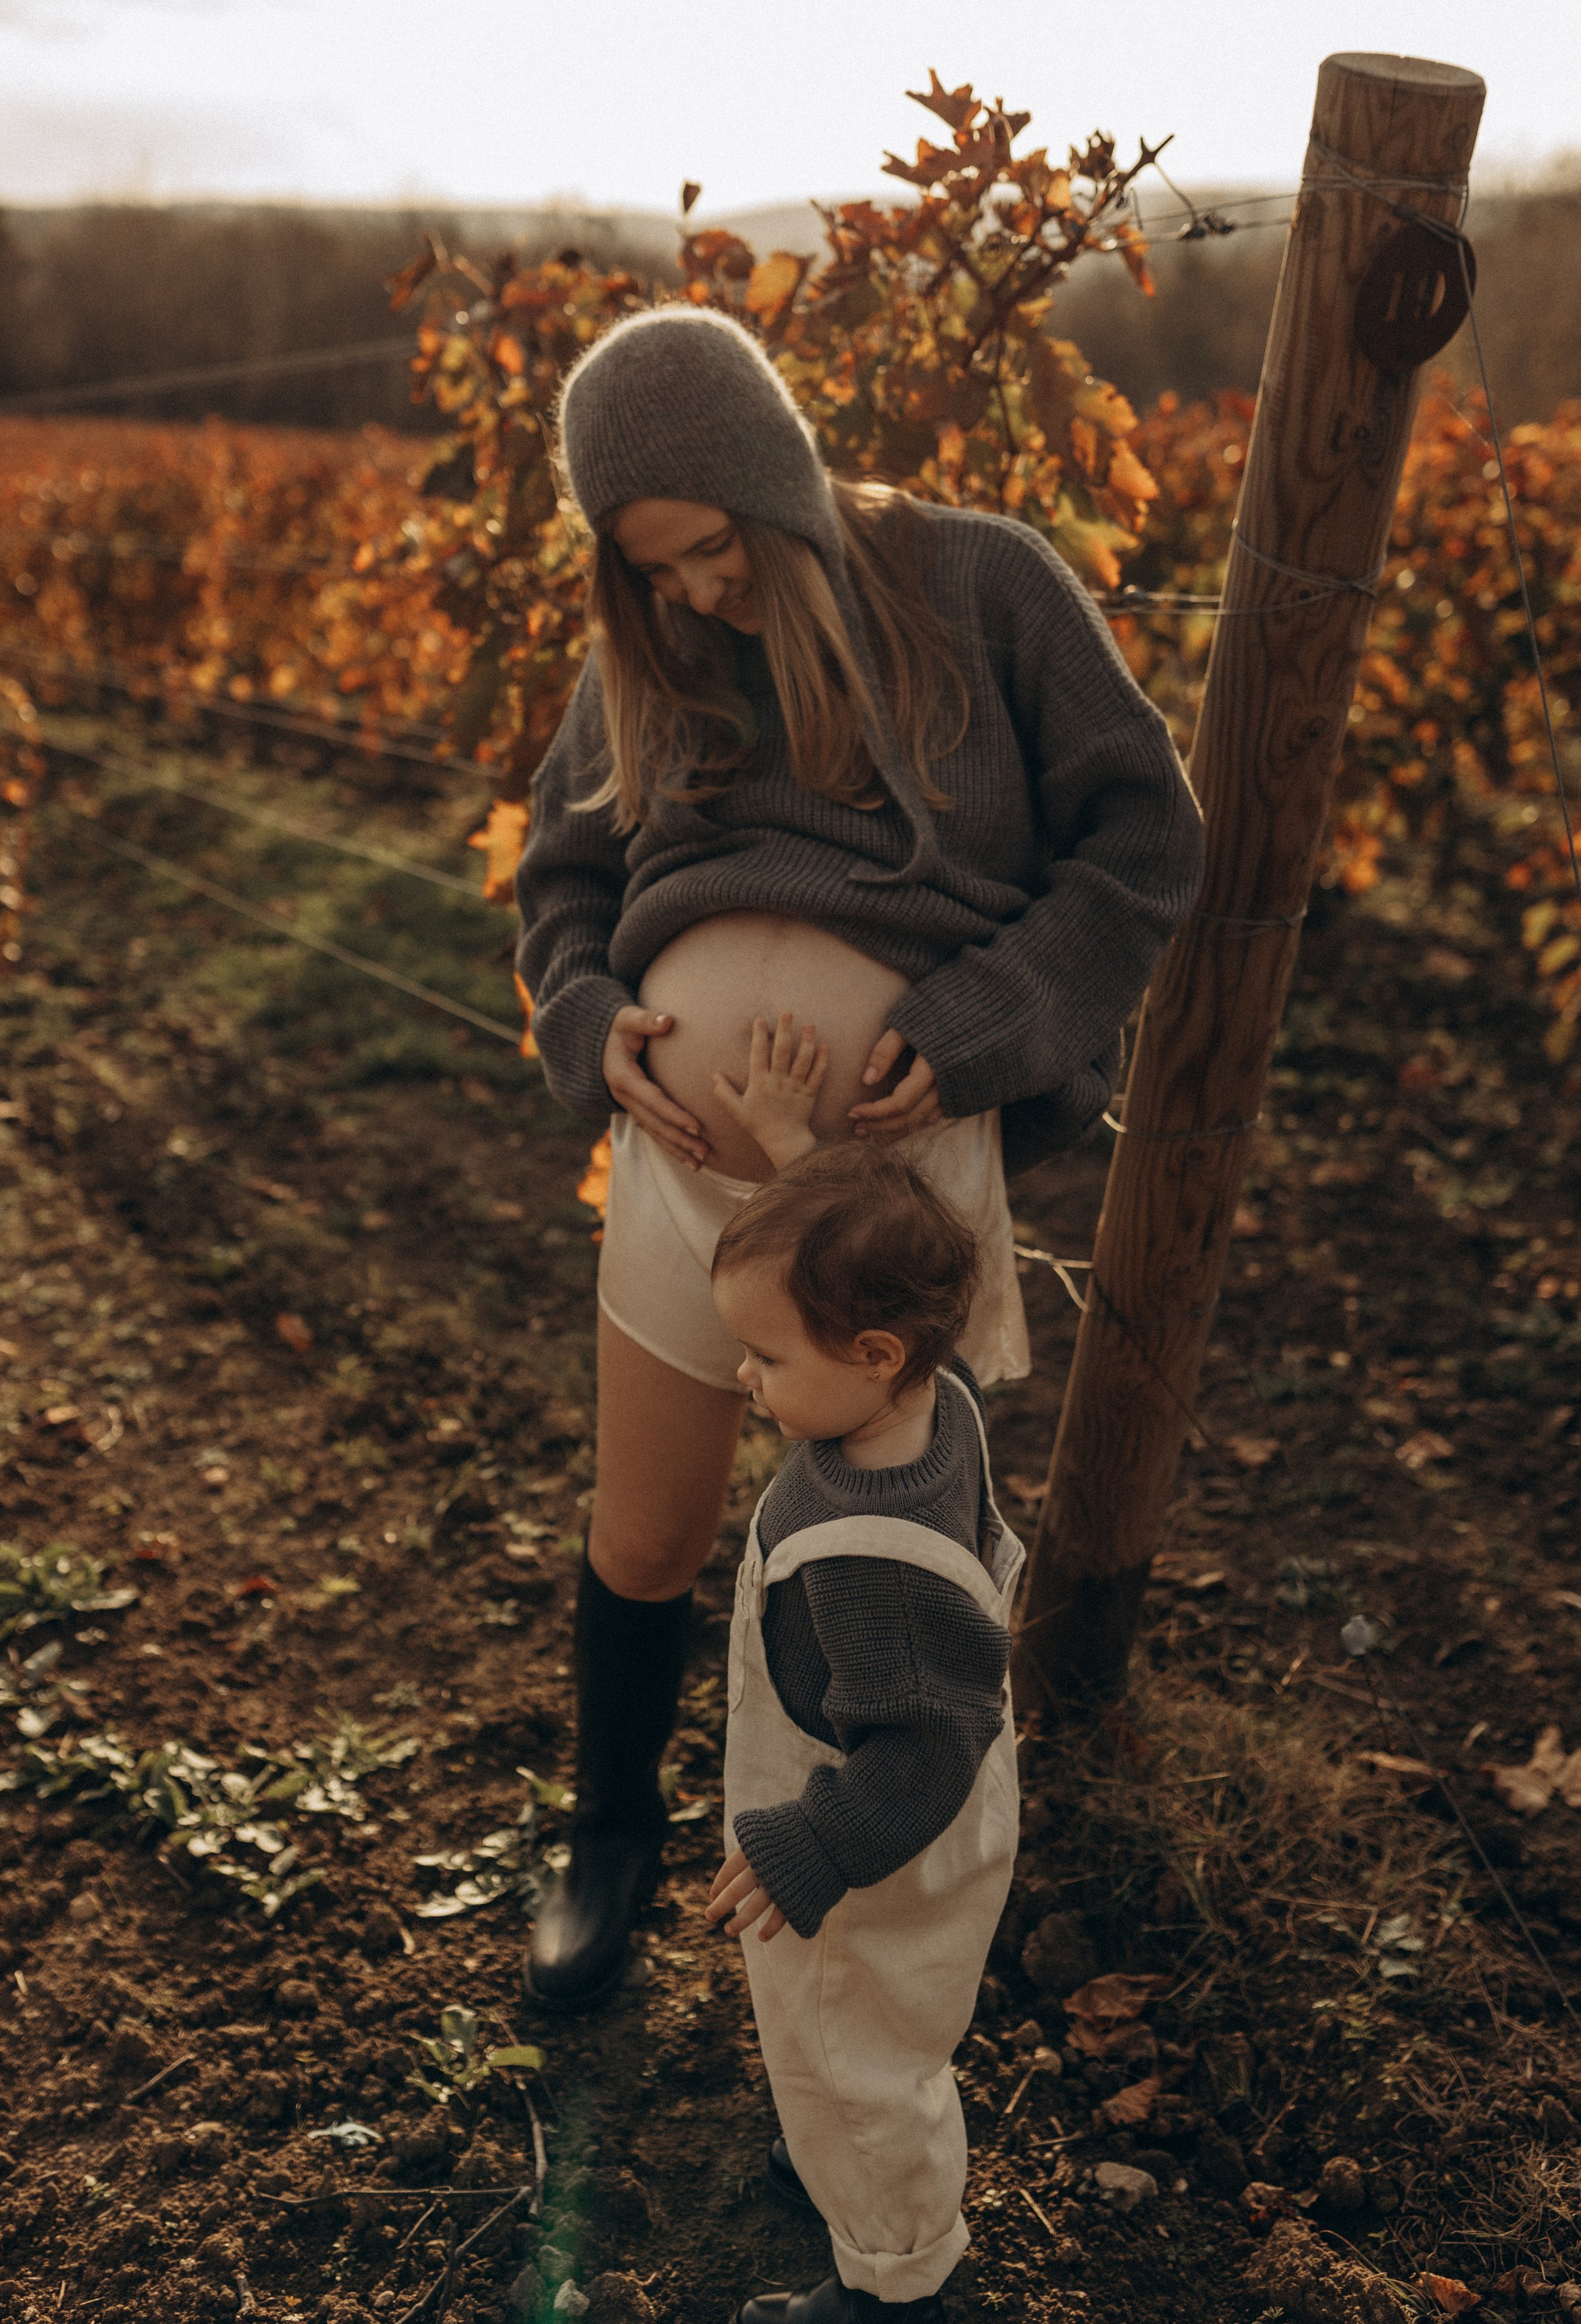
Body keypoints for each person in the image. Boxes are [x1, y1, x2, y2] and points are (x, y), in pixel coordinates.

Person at [513, 304, 1204, 2012]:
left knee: (884, 1548)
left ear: (768, 484)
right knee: (648, 1527)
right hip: (685, 1175)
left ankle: (880, 1922)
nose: (688, 594)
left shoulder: (978, 587)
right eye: (647, 568)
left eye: (704, 550)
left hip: (887, 1181)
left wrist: (985, 1022)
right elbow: (560, 884)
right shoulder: (647, 660)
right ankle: (610, 1846)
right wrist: (592, 1017)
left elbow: (1145, 835)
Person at [703, 1072, 1017, 2324]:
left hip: (878, 1832)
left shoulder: (872, 1554)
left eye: (770, 1355)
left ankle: (895, 2282)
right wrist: (797, 1155)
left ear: (872, 1352)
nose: (745, 1374)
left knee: (859, 2050)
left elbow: (926, 1749)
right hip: (903, 1773)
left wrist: (811, 1846)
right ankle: (833, 2158)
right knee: (842, 2053)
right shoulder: (927, 1401)